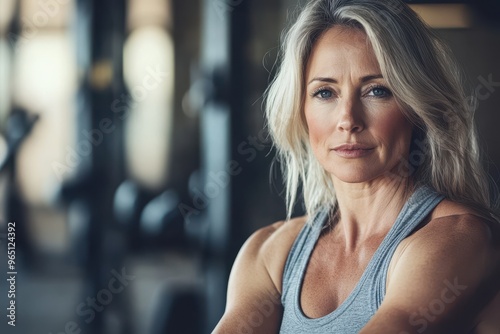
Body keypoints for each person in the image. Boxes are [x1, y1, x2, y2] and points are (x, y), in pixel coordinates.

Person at [213, 0, 500, 333]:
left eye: (376, 90)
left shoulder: (457, 236)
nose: (348, 119)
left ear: (416, 107)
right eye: (325, 93)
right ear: (300, 109)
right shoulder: (268, 252)